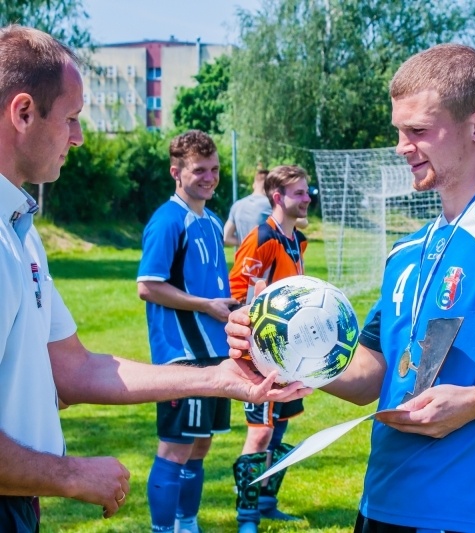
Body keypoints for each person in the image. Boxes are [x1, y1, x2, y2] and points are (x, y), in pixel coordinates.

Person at [226, 43, 475, 533]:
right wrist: (281, 354)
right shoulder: (409, 249)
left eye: (418, 131)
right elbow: (370, 377)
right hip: (382, 504)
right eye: (400, 131)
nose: (401, 146)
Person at [0, 24, 309, 533]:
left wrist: (218, 379)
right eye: (72, 119)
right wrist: (69, 473)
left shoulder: (22, 231)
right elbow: (149, 284)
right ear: (23, 112)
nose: (78, 137)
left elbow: (74, 370)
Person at [137, 130, 241, 533]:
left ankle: (187, 523)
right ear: (176, 171)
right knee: (176, 448)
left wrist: (234, 307)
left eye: (214, 169)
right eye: (200, 170)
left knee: (201, 445)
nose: (210, 177)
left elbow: (211, 286)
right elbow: (148, 285)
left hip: (215, 352)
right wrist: (204, 306)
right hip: (183, 354)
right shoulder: (167, 221)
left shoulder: (212, 221)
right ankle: (163, 530)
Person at [228, 165, 312, 532]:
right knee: (259, 433)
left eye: (307, 192)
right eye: (300, 193)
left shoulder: (298, 240)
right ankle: (246, 516)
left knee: (278, 431)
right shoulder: (263, 237)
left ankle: (267, 503)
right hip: (261, 357)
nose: (307, 199)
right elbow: (237, 295)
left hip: (290, 356)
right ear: (278, 197)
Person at [223, 166, 310, 248]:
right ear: (270, 187)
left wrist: (248, 244)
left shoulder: (237, 205)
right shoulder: (271, 204)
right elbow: (303, 223)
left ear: (254, 184)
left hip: (246, 259)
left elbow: (226, 237)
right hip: (269, 258)